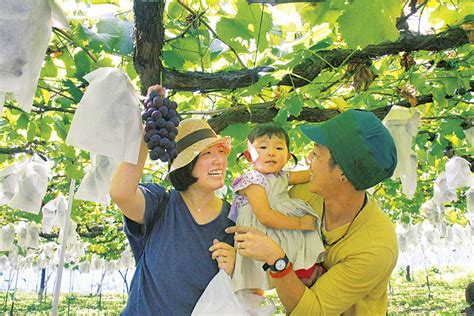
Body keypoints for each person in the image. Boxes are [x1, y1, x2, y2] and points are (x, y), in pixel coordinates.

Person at [227, 109, 399, 315]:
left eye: (316, 154)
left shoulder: (375, 248)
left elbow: (312, 312)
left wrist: (277, 261)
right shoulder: (304, 195)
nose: (308, 159)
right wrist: (239, 259)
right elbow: (265, 229)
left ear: (342, 173)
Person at [110, 85, 236, 315]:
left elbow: (252, 293)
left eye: (220, 152)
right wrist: (147, 129)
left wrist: (238, 269)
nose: (219, 160)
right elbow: (120, 193)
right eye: (207, 154)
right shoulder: (160, 204)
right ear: (186, 163)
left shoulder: (233, 220)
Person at [229, 122, 324, 292]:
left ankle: (305, 271)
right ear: (248, 156)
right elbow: (265, 215)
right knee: (255, 278)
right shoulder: (252, 180)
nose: (271, 153)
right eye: (263, 147)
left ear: (288, 157)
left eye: (279, 149)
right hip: (260, 232)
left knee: (299, 242)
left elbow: (311, 175)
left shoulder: (282, 176)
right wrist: (300, 223)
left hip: (280, 227)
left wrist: (325, 169)